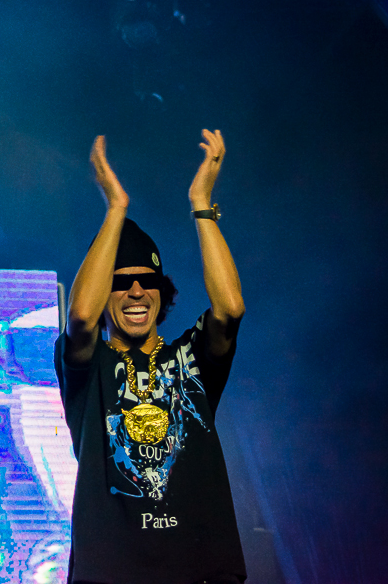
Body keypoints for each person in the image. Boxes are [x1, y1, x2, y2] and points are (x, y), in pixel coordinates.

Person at [55, 131, 247, 584]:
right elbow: (81, 317)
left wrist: (202, 204)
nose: (137, 291)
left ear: (163, 292)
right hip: (110, 576)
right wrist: (115, 209)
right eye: (121, 283)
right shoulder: (90, 368)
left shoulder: (189, 359)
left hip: (202, 573)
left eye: (148, 281)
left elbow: (230, 309)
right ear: (105, 294)